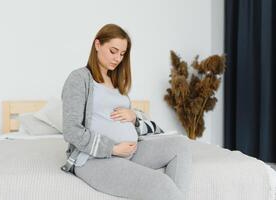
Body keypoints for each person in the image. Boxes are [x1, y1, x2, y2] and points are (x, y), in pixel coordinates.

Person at [61, 24, 192, 200]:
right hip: (95, 159)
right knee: (160, 183)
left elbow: (124, 123)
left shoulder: (117, 82)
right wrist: (113, 148)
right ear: (97, 45)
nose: (117, 58)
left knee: (180, 145)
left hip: (130, 152)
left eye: (122, 54)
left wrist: (134, 118)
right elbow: (71, 130)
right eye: (113, 51)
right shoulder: (79, 79)